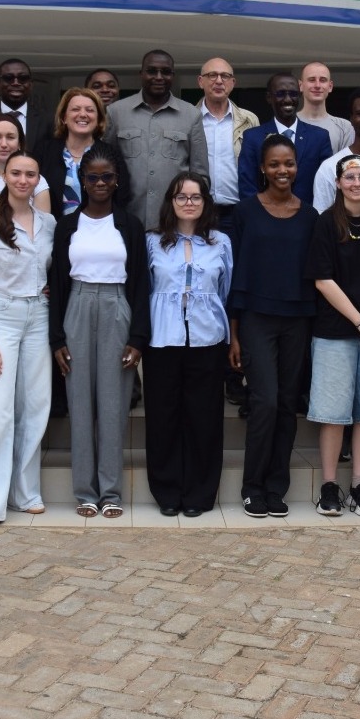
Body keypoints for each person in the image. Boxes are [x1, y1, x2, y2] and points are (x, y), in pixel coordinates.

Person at [50, 145, 150, 519]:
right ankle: (85, 492)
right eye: (92, 177)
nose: (100, 183)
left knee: (112, 404)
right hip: (76, 305)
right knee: (79, 403)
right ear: (82, 180)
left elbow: (141, 283)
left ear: (117, 180)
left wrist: (137, 338)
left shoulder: (129, 225)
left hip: (116, 306)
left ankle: (110, 492)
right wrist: (57, 339)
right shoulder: (67, 226)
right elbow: (57, 284)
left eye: (107, 176)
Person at [0, 151, 56, 529]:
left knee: (35, 406)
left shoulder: (49, 223)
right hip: (1, 317)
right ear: (5, 177)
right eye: (16, 173)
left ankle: (24, 492)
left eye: (30, 174)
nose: (22, 180)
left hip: (39, 317)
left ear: (38, 180)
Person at [229, 135, 318, 517]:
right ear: (262, 169)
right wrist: (233, 333)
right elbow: (232, 277)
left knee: (285, 404)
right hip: (255, 319)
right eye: (275, 164)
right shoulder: (245, 213)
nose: (283, 171)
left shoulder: (311, 215)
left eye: (289, 164)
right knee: (263, 401)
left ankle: (275, 487)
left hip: (297, 319)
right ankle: (252, 487)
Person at [306, 155, 360, 518]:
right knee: (333, 413)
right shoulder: (325, 223)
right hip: (335, 331)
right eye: (349, 176)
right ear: (338, 183)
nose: (356, 182)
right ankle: (329, 485)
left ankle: (359, 483)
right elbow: (322, 279)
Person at [144, 172, 232, 518]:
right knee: (164, 416)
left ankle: (200, 491)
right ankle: (167, 490)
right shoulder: (152, 242)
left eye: (196, 197)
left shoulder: (221, 242)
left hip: (207, 336)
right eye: (182, 197)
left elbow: (226, 287)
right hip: (162, 338)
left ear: (206, 203)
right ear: (171, 202)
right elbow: (146, 287)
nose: (189, 203)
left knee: (204, 417)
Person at [104, 50, 208, 226]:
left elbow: (200, 175)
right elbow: (104, 166)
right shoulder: (116, 113)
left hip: (174, 223)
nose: (159, 77)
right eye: (152, 71)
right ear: (141, 74)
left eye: (165, 72)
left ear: (173, 76)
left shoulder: (191, 115)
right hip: (126, 221)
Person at [35, 87, 131, 222]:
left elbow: (122, 195)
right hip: (53, 234)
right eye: (75, 109)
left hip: (98, 232)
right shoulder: (44, 151)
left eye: (90, 110)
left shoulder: (111, 154)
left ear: (98, 119)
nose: (83, 114)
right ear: (64, 118)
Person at [238, 73, 331, 207]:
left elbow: (326, 184)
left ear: (300, 95)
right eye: (281, 94)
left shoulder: (319, 137)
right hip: (265, 220)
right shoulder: (253, 137)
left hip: (309, 219)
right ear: (269, 97)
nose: (288, 99)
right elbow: (247, 185)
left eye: (293, 94)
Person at [196, 56, 258, 240]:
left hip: (238, 211)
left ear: (232, 82)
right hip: (197, 212)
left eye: (225, 76)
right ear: (201, 81)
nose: (218, 81)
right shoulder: (189, 119)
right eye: (212, 75)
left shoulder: (249, 120)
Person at [0, 58, 52, 149]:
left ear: (31, 85)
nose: (16, 83)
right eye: (8, 78)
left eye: (23, 78)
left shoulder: (48, 121)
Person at [299, 61, 355, 154]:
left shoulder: (344, 127)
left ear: (330, 86)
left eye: (323, 80)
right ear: (301, 85)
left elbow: (346, 164)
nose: (317, 85)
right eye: (312, 80)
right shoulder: (289, 124)